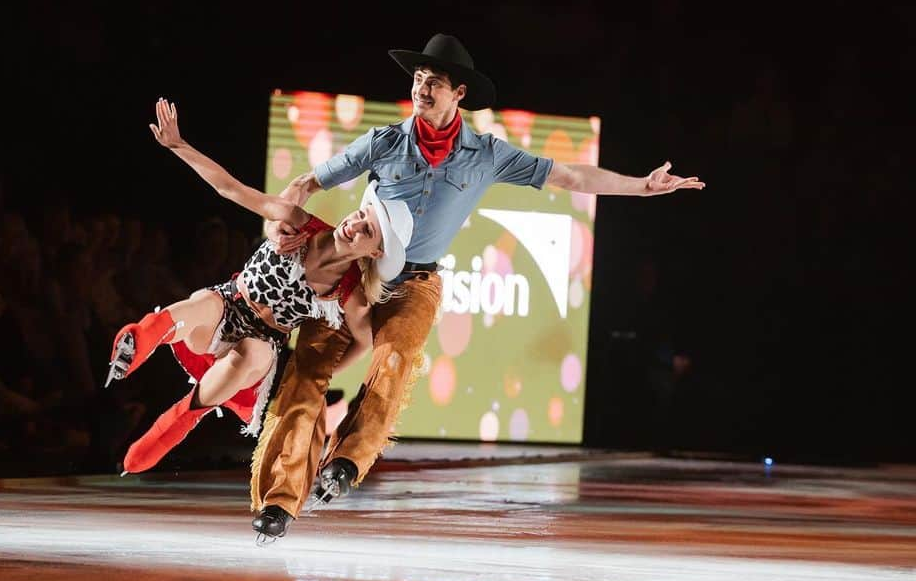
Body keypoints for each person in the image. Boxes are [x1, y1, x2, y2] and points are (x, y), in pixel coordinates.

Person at [250, 33, 705, 540]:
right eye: (419, 80)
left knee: (394, 361)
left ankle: (346, 465)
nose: (422, 90)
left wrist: (642, 185)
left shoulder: (486, 155)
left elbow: (573, 177)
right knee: (306, 375)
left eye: (434, 83)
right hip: (353, 279)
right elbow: (305, 185)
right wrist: (277, 229)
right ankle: (280, 503)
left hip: (416, 281)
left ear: (458, 93)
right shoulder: (382, 141)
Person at [106, 98, 414, 483]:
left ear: (375, 252)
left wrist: (321, 370)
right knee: (203, 303)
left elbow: (366, 342)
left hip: (263, 342)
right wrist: (179, 146)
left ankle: (172, 427)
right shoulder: (299, 222)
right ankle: (137, 340)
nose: (355, 224)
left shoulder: (349, 291)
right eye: (361, 215)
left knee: (253, 352)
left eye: (367, 230)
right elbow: (231, 189)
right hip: (229, 304)